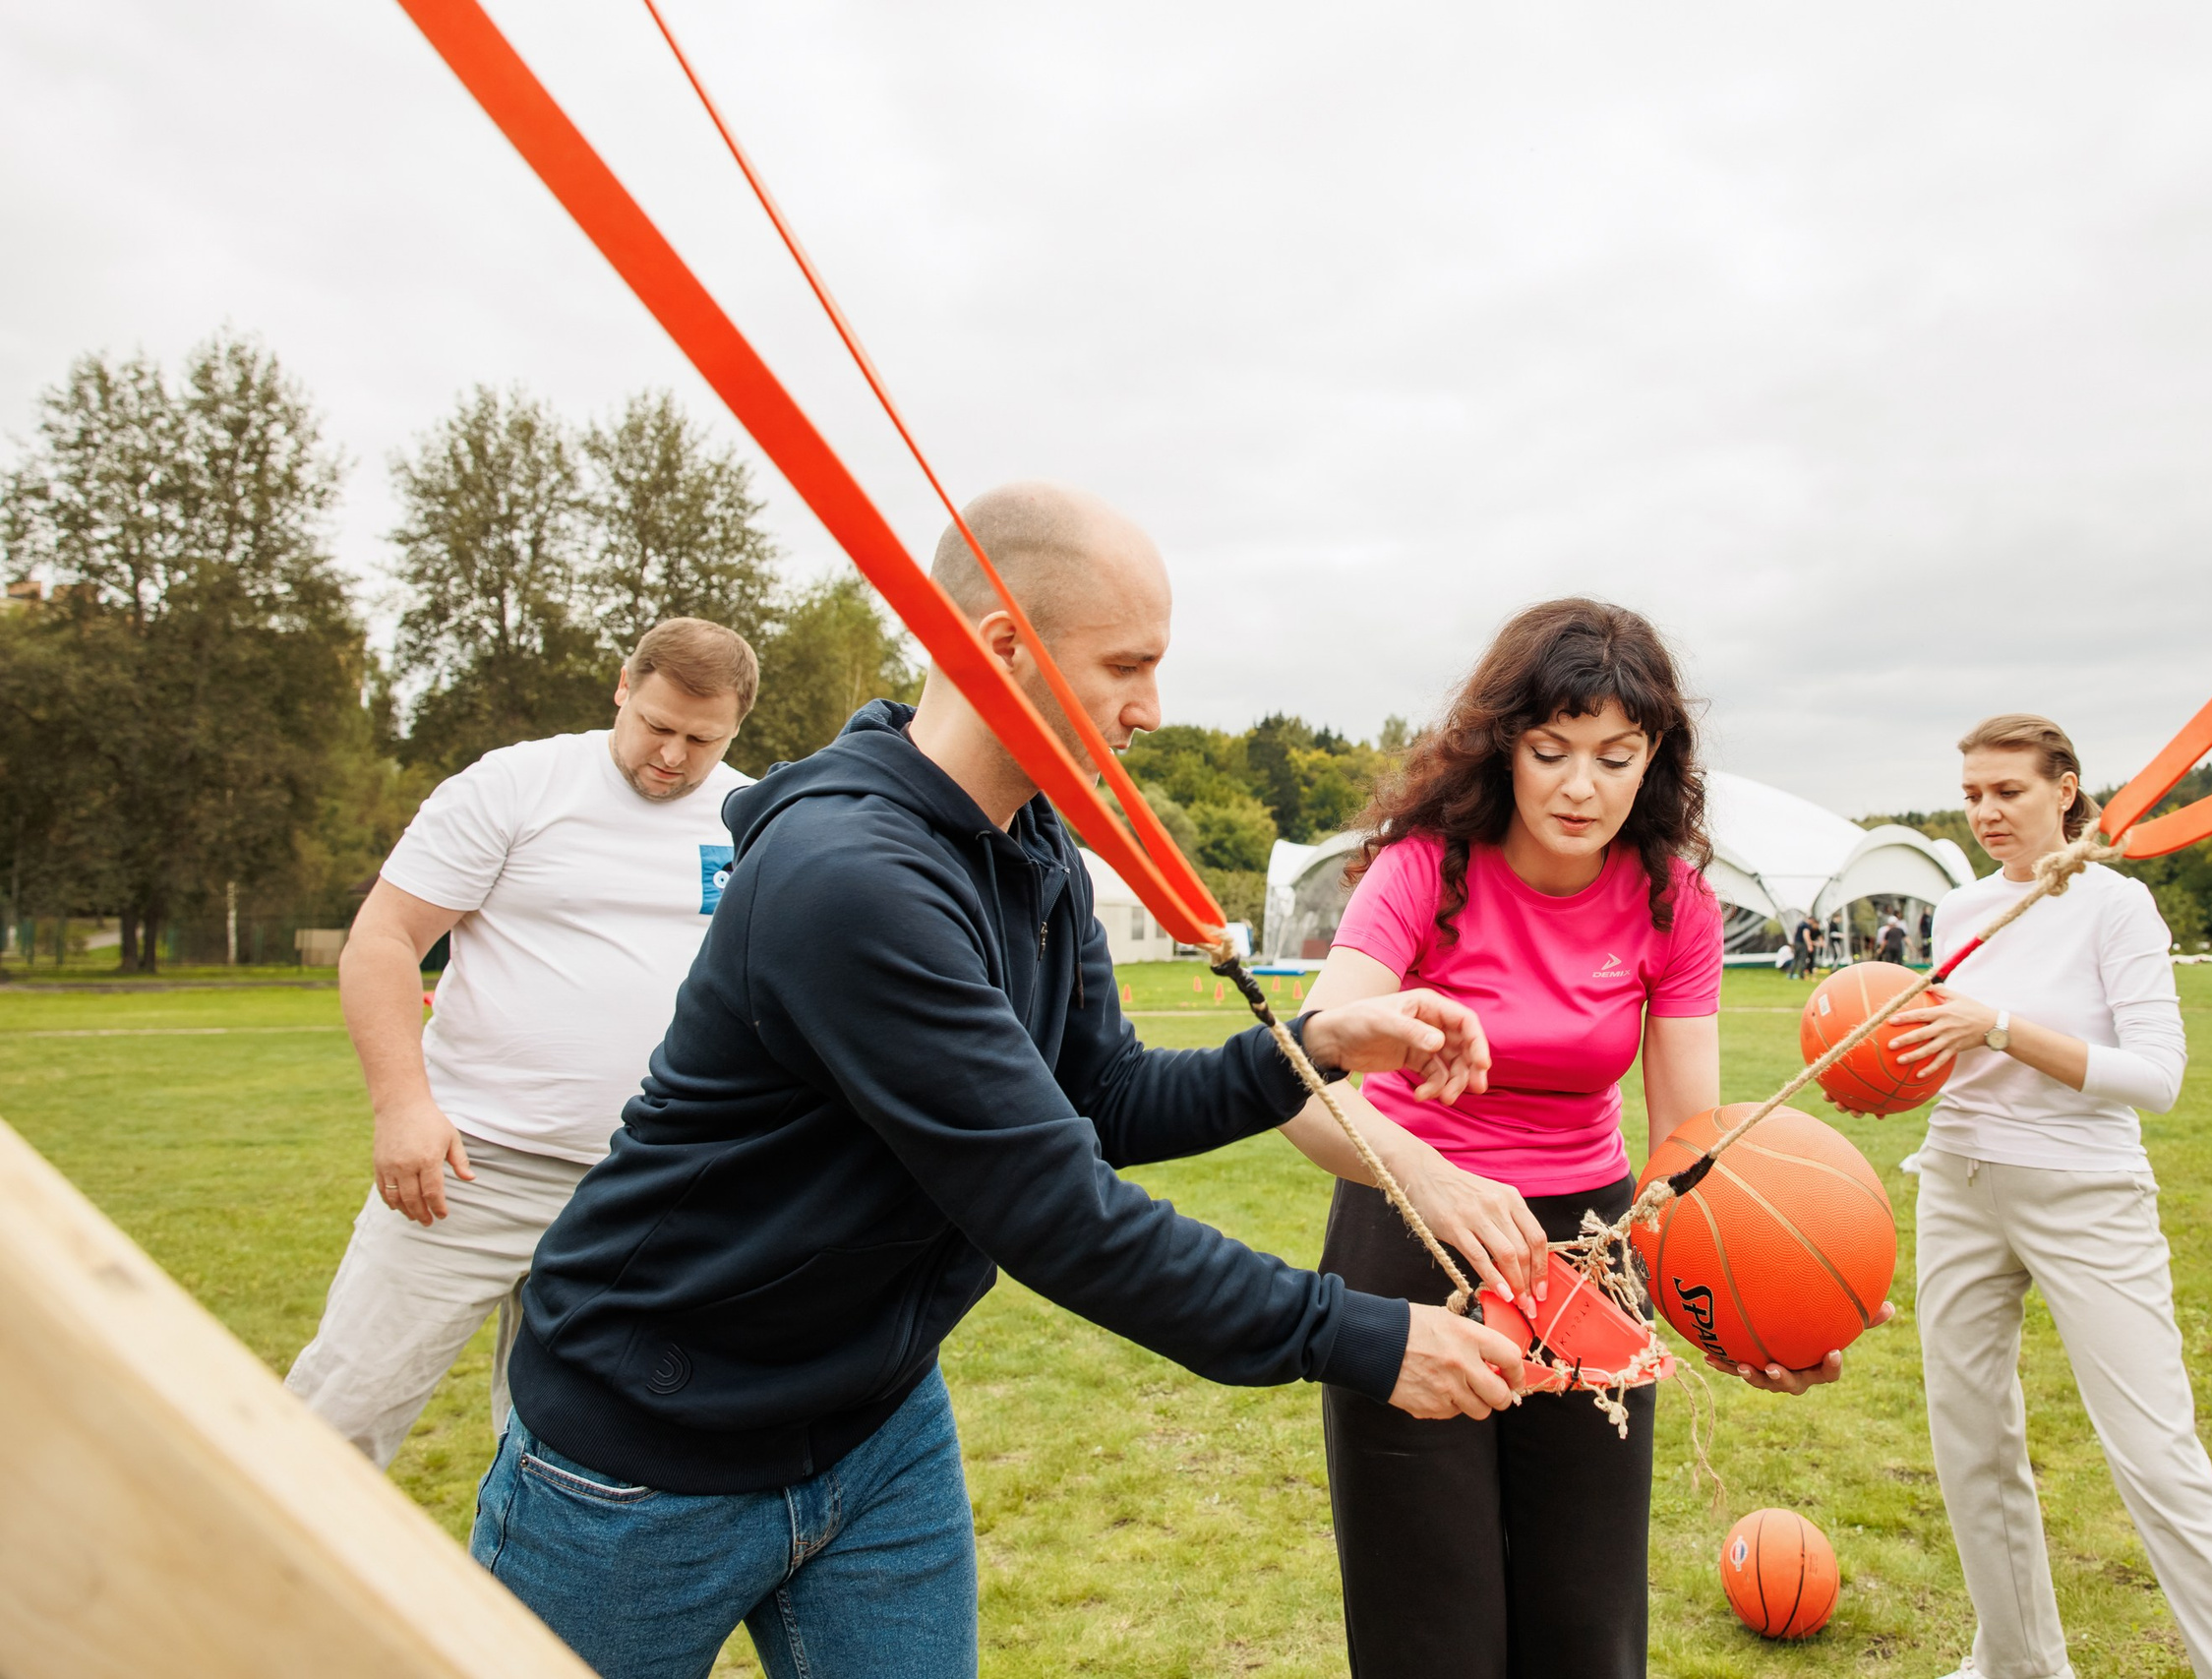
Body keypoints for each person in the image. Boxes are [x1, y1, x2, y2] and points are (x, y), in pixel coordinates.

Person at [469, 483, 1531, 1679]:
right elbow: (1054, 1211)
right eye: (1125, 667)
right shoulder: (851, 880)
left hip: (872, 1425)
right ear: (1001, 648)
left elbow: (1105, 1097)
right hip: (646, 1448)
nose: (1150, 710)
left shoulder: (1036, 847)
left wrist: (1315, 1044)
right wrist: (1360, 1336)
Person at [1288, 600, 1879, 1678]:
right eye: (1551, 749)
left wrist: (1762, 1321)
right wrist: (1438, 1183)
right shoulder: (1422, 871)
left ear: (1653, 761)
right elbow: (1302, 1081)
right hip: (1406, 1243)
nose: (1580, 787)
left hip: (1589, 1258)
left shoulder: (1674, 901)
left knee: (1587, 1625)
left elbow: (1689, 1149)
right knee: (1429, 1628)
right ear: (1502, 745)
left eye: (1615, 756)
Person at [285, 619, 760, 1468]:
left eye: (701, 739)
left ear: (736, 728)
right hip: (466, 1169)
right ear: (622, 686)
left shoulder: (757, 819)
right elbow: (384, 939)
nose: (671, 755)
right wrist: (402, 1107)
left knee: (572, 1460)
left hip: (642, 1188)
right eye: (656, 724)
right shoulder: (516, 785)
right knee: (340, 1415)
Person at [1883, 714, 2212, 1679]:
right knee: (1970, 1446)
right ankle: (2016, 1663)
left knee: (2157, 1459)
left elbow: (2156, 1078)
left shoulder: (2117, 905)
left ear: (2064, 790)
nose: (1985, 812)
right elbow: (1952, 1054)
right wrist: (1889, 1070)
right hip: (1959, 1183)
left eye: (2008, 791)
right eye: (1972, 794)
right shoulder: (1960, 910)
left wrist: (2000, 1027)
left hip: (2087, 1194)